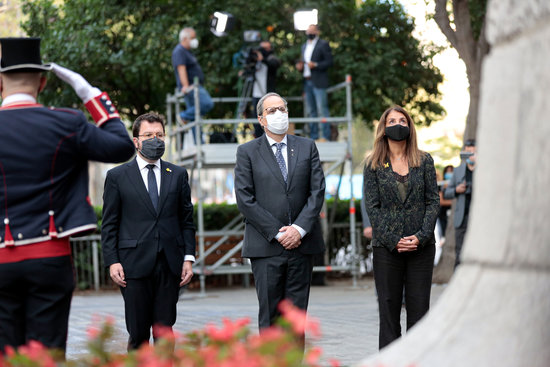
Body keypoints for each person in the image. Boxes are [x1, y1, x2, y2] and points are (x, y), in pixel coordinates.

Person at [0, 37, 135, 356]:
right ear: (43, 82)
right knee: (46, 355)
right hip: (50, 253)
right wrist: (89, 93)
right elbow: (122, 146)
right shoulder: (66, 122)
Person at [234, 93, 325, 344]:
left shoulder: (307, 146)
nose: (278, 114)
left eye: (282, 108)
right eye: (272, 110)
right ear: (261, 119)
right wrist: (278, 232)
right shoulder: (247, 152)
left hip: (302, 244)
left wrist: (298, 229)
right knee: (271, 319)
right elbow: (245, 199)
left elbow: (317, 192)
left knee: (296, 320)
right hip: (266, 246)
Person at [101, 113, 196, 350]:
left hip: (169, 263)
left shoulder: (178, 175)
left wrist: (188, 257)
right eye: (148, 135)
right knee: (138, 333)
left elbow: (186, 220)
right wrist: (112, 261)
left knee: (165, 331)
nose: (155, 140)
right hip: (133, 265)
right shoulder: (117, 177)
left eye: (160, 135)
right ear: (136, 141)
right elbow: (109, 223)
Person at [363, 105, 439, 349]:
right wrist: (393, 238)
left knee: (419, 312)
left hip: (421, 248)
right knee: (388, 310)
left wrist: (422, 236)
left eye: (403, 120)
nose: (398, 124)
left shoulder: (424, 160)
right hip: (387, 249)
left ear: (410, 126)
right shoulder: (373, 164)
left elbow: (433, 201)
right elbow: (372, 207)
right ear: (383, 129)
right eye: (392, 120)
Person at [172, 27, 214, 144]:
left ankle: (199, 144)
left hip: (193, 87)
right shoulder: (179, 51)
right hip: (191, 88)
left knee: (195, 116)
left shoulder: (187, 51)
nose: (195, 40)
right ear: (185, 38)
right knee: (207, 104)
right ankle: (183, 116)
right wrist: (186, 86)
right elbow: (181, 68)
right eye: (193, 38)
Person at [296, 24, 333, 142]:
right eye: (308, 30)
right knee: (311, 111)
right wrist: (300, 66)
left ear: (317, 32)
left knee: (321, 109)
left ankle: (325, 136)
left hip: (318, 81)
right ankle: (314, 136)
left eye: (312, 30)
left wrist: (316, 65)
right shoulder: (304, 46)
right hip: (307, 81)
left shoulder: (323, 44)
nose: (309, 32)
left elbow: (329, 62)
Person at [444, 140, 476, 268]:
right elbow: (446, 192)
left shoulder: (485, 170)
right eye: (467, 152)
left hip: (479, 219)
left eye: (473, 152)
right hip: (462, 218)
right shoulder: (458, 171)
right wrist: (457, 190)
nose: (470, 155)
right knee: (459, 254)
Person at [250, 40, 280, 138]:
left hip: (267, 95)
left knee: (269, 118)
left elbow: (274, 65)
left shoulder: (272, 59)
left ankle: (270, 139)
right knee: (256, 118)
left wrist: (262, 59)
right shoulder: (255, 60)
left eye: (265, 48)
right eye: (261, 48)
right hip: (256, 94)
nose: (263, 51)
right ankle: (258, 139)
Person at [437, 165, 454, 243]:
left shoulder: (456, 185)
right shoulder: (441, 185)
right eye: (448, 171)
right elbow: (441, 201)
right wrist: (455, 203)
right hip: (443, 215)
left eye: (451, 171)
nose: (449, 173)